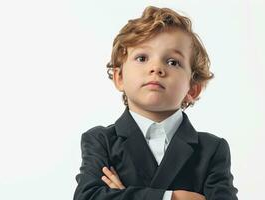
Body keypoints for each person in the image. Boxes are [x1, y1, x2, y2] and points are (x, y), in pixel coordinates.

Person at [74, 6, 238, 200]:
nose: (156, 68)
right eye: (142, 58)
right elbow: (88, 196)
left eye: (173, 62)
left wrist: (122, 195)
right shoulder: (101, 140)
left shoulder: (211, 149)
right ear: (119, 77)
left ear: (193, 88)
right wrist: (171, 198)